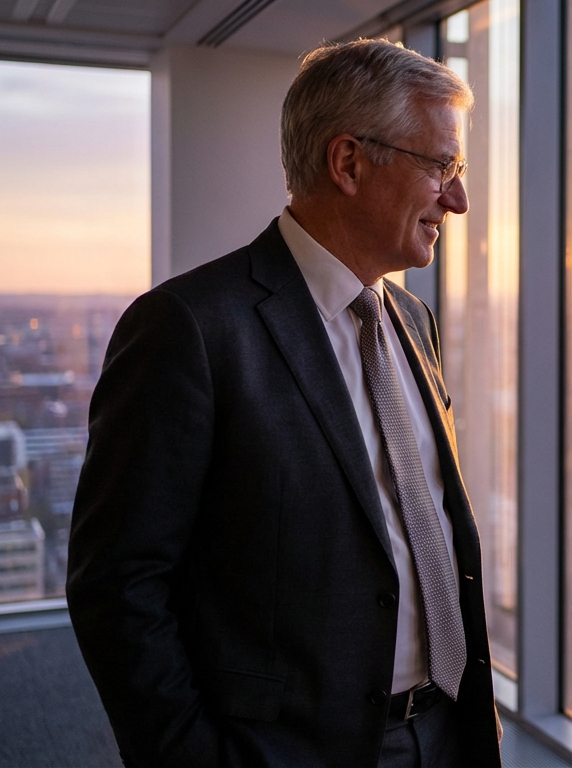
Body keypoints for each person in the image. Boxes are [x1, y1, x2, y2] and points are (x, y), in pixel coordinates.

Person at [66, 40, 501, 767]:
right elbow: (119, 585)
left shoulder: (412, 322)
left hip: (447, 733)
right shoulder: (191, 329)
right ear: (349, 163)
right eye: (441, 167)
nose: (457, 199)